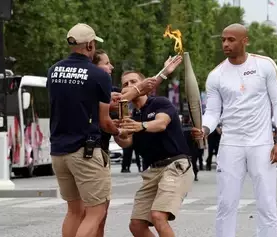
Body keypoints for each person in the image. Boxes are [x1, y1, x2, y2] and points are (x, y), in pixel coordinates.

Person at [192, 23, 277, 237]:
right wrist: (205, 128)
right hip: (230, 145)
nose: (225, 44)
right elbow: (213, 111)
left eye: (231, 39)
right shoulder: (216, 75)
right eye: (223, 40)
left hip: (261, 144)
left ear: (245, 41)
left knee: (266, 204)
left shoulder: (265, 66)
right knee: (226, 205)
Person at [47, 23, 133, 237]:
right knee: (96, 212)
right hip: (85, 150)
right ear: (90, 45)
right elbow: (105, 122)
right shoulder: (98, 76)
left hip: (58, 151)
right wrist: (119, 131)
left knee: (74, 212)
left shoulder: (53, 71)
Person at [114, 71, 194, 237]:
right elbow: (126, 142)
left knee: (158, 216)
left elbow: (161, 123)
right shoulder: (131, 115)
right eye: (125, 84)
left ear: (144, 86)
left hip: (175, 165)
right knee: (136, 225)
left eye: (133, 81)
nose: (130, 86)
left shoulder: (159, 102)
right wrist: (117, 131)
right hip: (152, 171)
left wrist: (141, 126)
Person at [181, 113, 200, 181]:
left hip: (185, 149)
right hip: (192, 148)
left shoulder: (181, 128)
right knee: (193, 163)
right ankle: (194, 175)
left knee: (186, 163)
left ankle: (189, 175)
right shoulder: (193, 128)